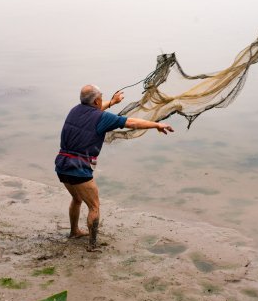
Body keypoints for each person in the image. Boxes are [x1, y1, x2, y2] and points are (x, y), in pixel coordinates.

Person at [55, 84, 174, 250]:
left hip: (61, 164)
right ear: (96, 100)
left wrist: (112, 102)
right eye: (101, 98)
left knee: (77, 199)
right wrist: (156, 125)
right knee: (94, 206)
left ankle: (74, 231)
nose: (102, 100)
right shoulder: (101, 118)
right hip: (79, 168)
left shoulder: (75, 110)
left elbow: (95, 112)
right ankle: (92, 245)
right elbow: (131, 122)